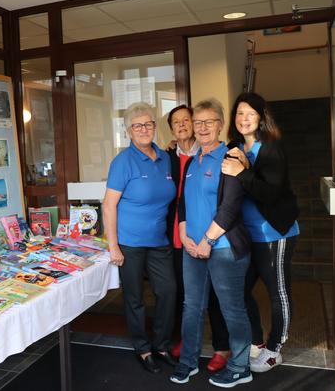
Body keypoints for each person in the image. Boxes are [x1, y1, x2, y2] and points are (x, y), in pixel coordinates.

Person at [169, 98, 252, 388]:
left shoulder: (231, 157)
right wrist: (183, 234)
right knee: (191, 306)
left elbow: (230, 207)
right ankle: (188, 362)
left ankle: (241, 367)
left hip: (224, 248)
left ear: (220, 125)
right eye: (198, 121)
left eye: (209, 121)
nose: (202, 127)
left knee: (232, 309)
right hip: (192, 247)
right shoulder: (192, 161)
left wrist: (206, 240)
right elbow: (183, 203)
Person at [223, 92, 300, 373]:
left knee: (277, 291)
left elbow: (269, 193)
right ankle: (256, 341)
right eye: (240, 114)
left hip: (275, 233)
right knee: (240, 290)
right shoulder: (234, 146)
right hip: (248, 235)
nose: (244, 119)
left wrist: (242, 171)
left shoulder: (271, 149)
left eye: (250, 114)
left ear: (261, 118)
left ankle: (274, 348)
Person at [103, 102, 177, 373]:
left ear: (155, 127)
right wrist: (113, 246)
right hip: (130, 243)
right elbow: (109, 205)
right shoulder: (123, 162)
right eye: (137, 125)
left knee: (168, 292)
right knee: (135, 297)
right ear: (129, 132)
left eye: (148, 124)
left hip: (159, 241)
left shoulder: (165, 157)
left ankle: (161, 344)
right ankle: (143, 348)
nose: (144, 129)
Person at [165, 105, 231, 373]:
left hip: (213, 233)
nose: (183, 125)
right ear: (171, 128)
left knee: (216, 296)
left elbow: (229, 201)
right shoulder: (167, 154)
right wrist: (181, 229)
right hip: (181, 231)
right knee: (188, 294)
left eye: (187, 120)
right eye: (176, 122)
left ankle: (221, 347)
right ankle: (187, 342)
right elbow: (178, 198)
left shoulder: (214, 154)